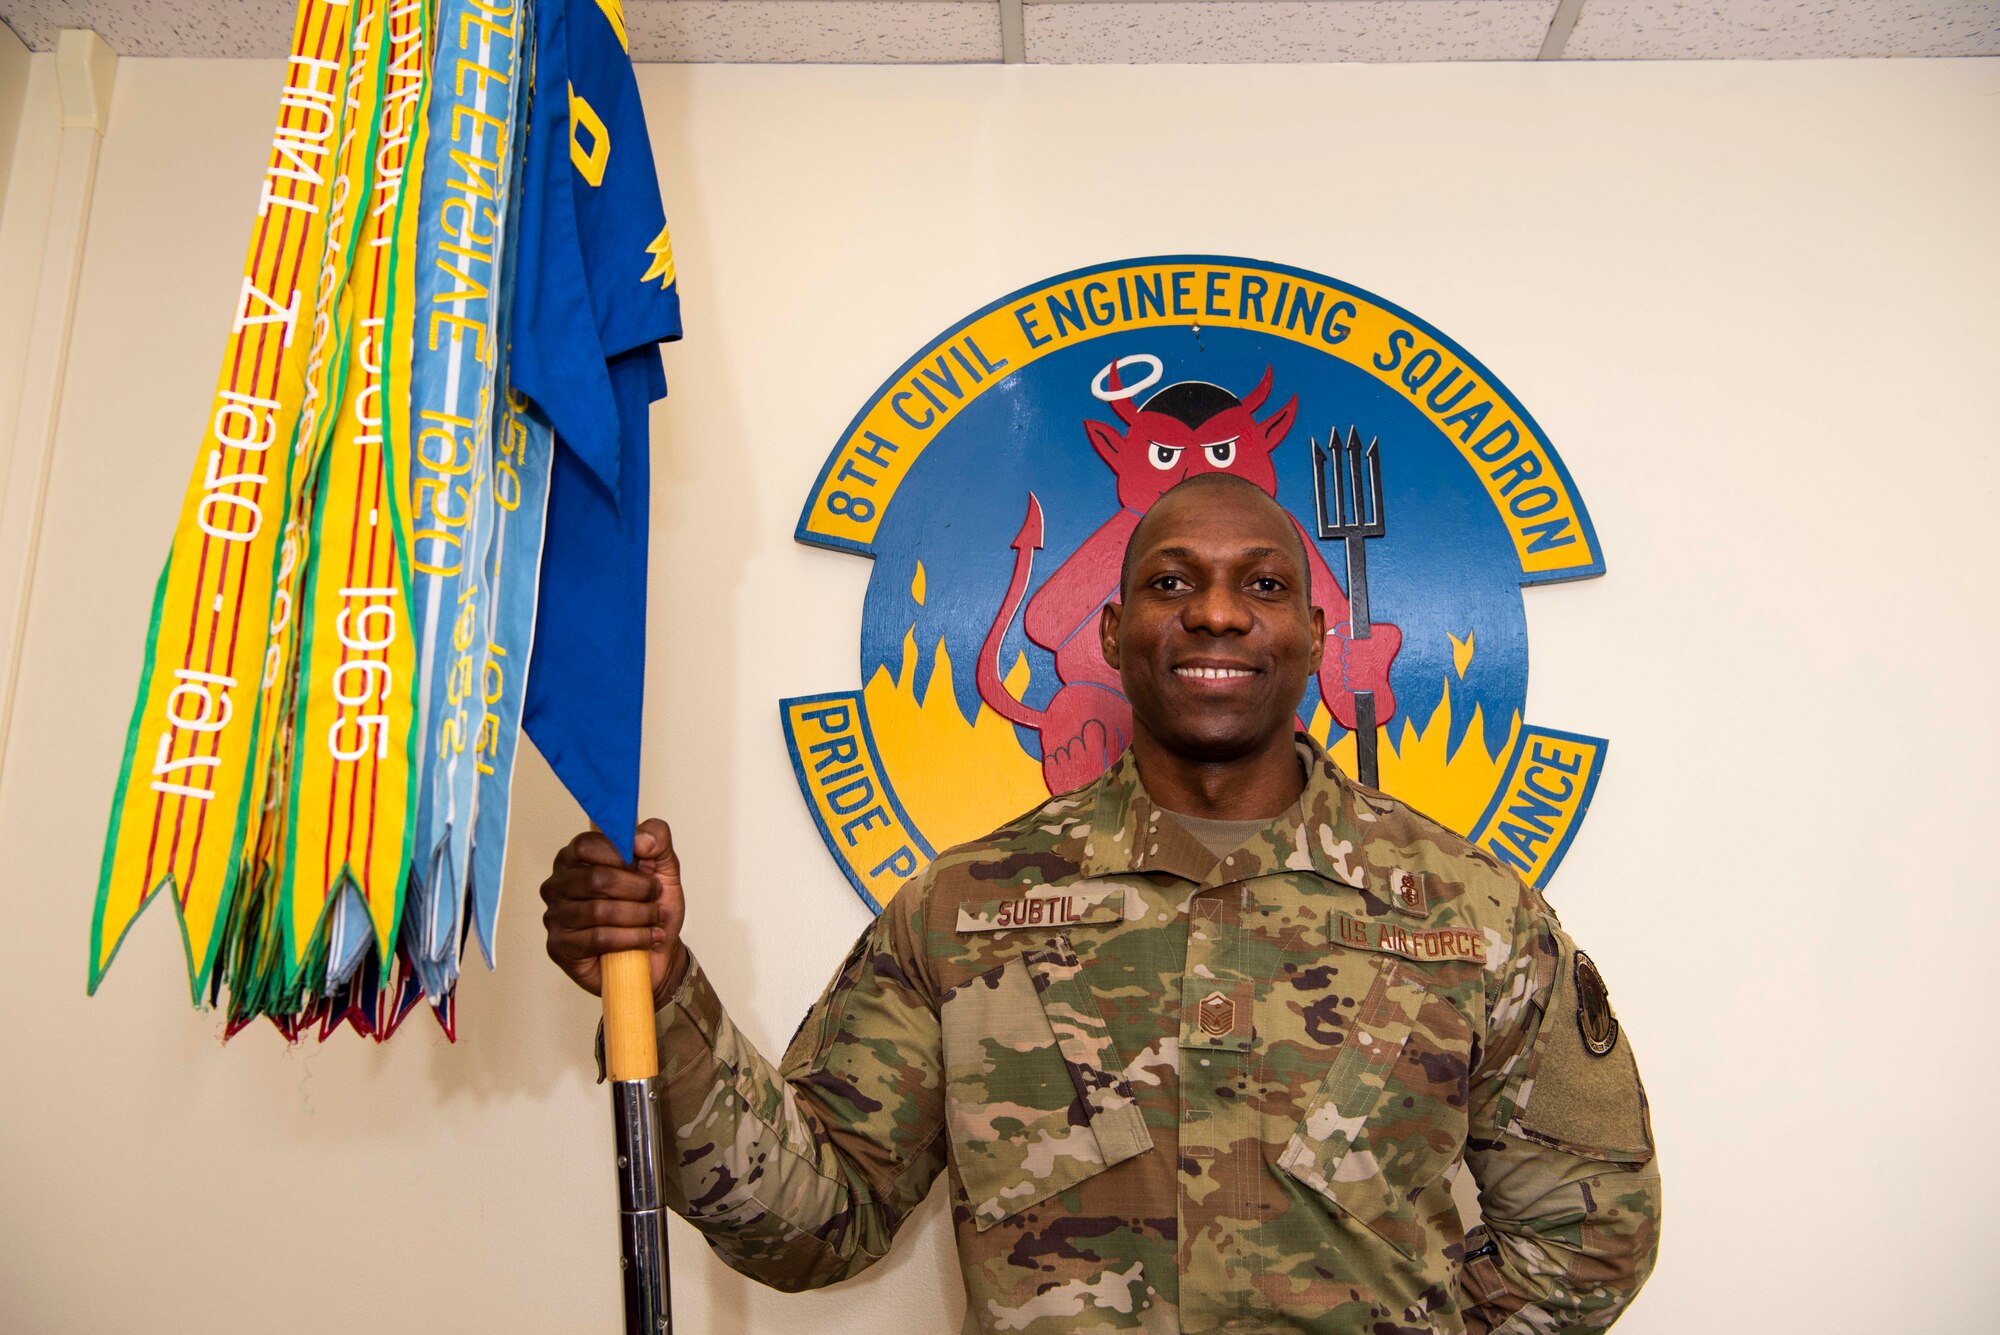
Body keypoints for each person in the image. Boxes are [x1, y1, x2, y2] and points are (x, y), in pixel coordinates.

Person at [542, 473, 1661, 1334]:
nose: (1215, 614)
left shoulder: (1472, 916)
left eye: (1262, 585)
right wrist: (665, 986)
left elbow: (1592, 1230)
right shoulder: (962, 910)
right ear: (1113, 633)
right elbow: (813, 1218)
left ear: (1315, 637)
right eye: (1170, 583)